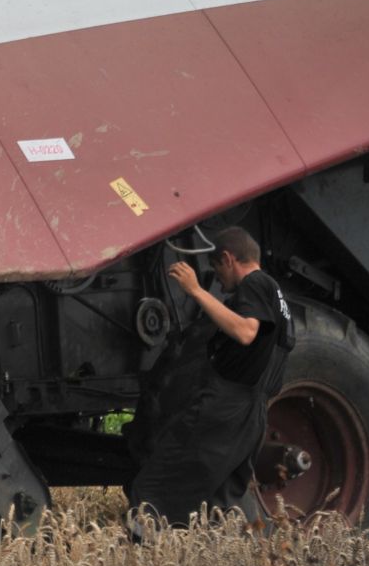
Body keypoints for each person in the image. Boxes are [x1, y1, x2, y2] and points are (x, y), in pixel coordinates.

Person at [127, 226, 296, 528]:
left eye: (217, 269)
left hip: (224, 409)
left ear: (229, 259)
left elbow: (246, 331)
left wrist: (195, 290)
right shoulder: (279, 299)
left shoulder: (255, 283)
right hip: (253, 418)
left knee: (155, 489)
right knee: (215, 506)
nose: (218, 280)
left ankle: (140, 561)